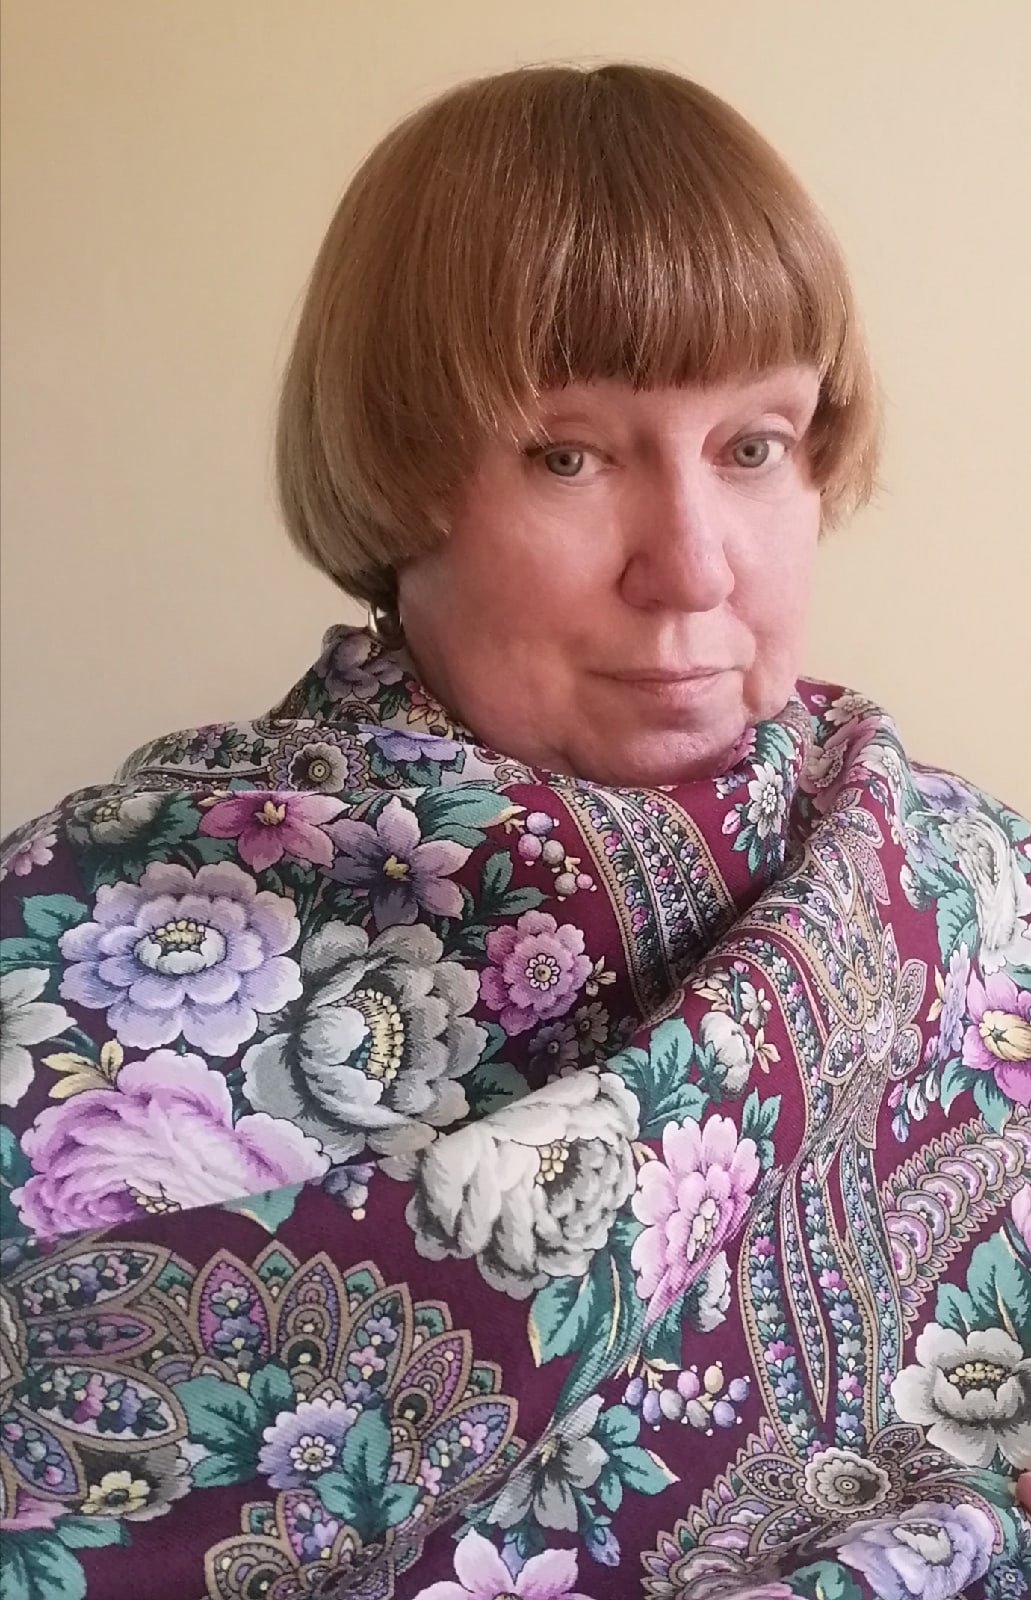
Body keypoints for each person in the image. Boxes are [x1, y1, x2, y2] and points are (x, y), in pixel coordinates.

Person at [1, 63, 1028, 1600]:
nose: (692, 567)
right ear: (396, 479)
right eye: (570, 454)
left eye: (754, 446)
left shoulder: (962, 880)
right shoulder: (86, 939)